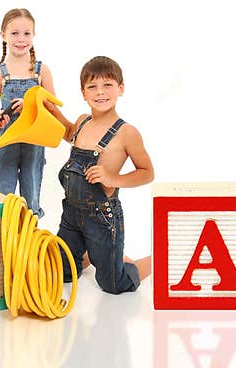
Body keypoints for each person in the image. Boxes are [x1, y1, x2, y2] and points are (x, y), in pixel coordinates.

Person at [45, 56, 154, 294]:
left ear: (121, 88)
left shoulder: (127, 132)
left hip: (102, 217)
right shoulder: (83, 121)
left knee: (114, 284)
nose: (100, 92)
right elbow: (69, 133)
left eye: (107, 85)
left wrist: (113, 179)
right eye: (92, 86)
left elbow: (147, 173)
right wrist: (51, 109)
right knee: (60, 272)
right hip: (71, 212)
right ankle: (86, 252)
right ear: (83, 93)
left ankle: (152, 261)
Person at [0, 8, 55, 217]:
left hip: (34, 138)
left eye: (26, 33)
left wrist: (30, 103)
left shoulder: (41, 70)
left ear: (33, 35)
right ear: (3, 35)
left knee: (31, 188)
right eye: (14, 33)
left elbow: (52, 105)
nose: (21, 39)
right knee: (3, 190)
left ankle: (30, 238)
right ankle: (4, 238)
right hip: (6, 137)